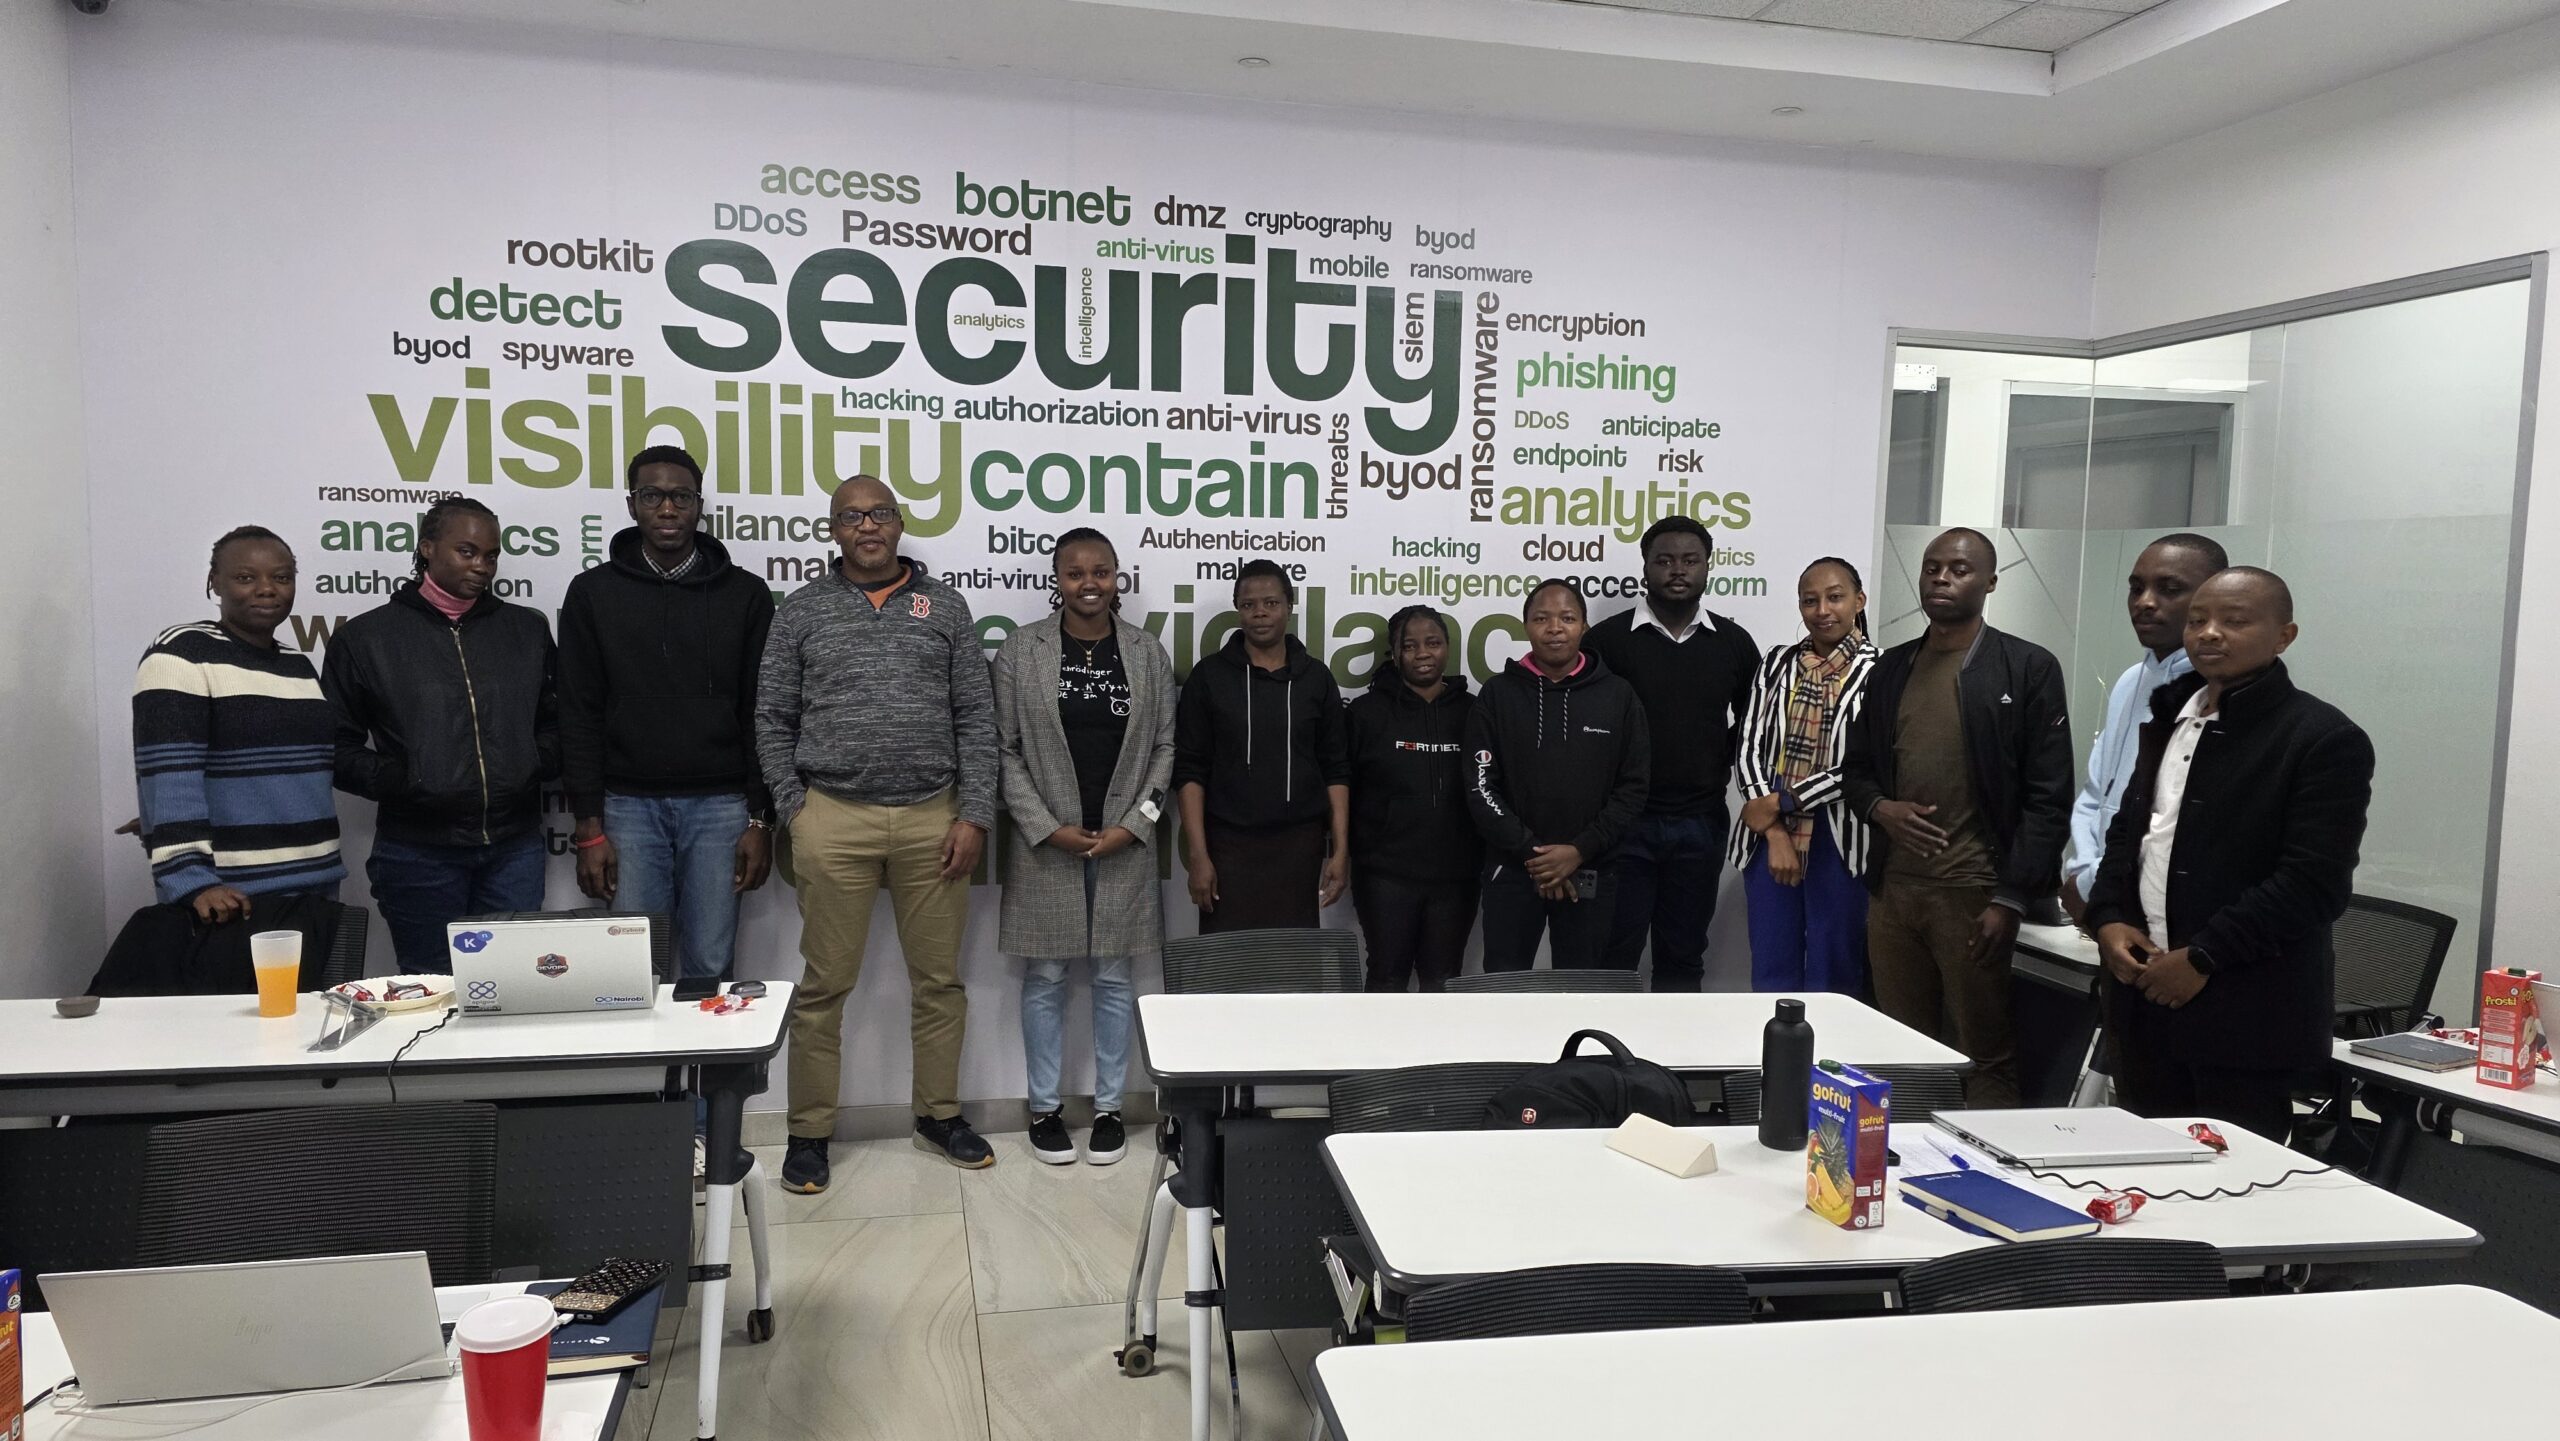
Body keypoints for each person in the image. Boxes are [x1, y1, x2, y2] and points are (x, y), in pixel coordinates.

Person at [758, 475, 998, 1188]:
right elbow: (772, 716)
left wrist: (974, 812)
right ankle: (809, 1132)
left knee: (940, 982)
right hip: (833, 816)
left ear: (899, 524)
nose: (868, 526)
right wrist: (795, 808)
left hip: (934, 817)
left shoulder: (944, 606)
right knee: (824, 986)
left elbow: (975, 716)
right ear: (833, 530)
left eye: (881, 513)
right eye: (853, 516)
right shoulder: (802, 609)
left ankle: (938, 1115)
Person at [2087, 568, 2372, 1144]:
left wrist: (2203, 958)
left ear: (2284, 636)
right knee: (2141, 1165)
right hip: (2142, 996)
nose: (2209, 633)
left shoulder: (2322, 738)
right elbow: (2131, 831)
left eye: (2234, 621)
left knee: (2234, 1178)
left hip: (2244, 1010)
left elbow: (2313, 884)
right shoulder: (2171, 715)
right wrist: (2109, 917)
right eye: (2198, 620)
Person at [1841, 528, 2071, 1106]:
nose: (1942, 578)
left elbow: (2049, 796)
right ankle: (1905, 1156)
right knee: (1901, 1048)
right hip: (1894, 894)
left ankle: (1984, 1158)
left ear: (1990, 582)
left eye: (1960, 569)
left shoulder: (2026, 667)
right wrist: (1880, 808)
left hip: (1974, 893)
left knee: (1982, 1051)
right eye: (1932, 567)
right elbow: (1856, 771)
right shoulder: (1892, 668)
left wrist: (2011, 899)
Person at [992, 527, 1175, 1166]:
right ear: (1058, 579)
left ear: (1117, 577)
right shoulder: (1022, 650)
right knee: (1044, 976)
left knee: (1114, 977)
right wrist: (1045, 826)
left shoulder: (1147, 652)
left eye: (1101, 571)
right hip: (1047, 844)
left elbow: (1165, 748)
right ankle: (1044, 1109)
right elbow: (1004, 750)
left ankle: (1109, 1110)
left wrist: (1136, 824)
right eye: (1075, 573)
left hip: (1124, 842)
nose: (1089, 583)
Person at [558, 445, 775, 981]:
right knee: (633, 973)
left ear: (699, 505)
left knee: (710, 967)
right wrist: (589, 828)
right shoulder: (592, 593)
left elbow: (762, 712)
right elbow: (579, 714)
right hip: (627, 808)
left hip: (720, 808)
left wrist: (759, 818)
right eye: (652, 496)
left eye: (681, 497)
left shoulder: (746, 595)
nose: (668, 509)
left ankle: (705, 1045)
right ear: (632, 504)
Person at [324, 498, 559, 972]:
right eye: (466, 552)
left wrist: (530, 764)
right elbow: (333, 746)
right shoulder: (367, 638)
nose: (482, 566)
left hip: (513, 848)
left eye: (491, 555)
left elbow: (556, 722)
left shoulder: (526, 629)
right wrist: (405, 779)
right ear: (427, 548)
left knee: (512, 984)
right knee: (431, 989)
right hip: (418, 853)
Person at [1583, 517, 1759, 991]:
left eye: (1690, 560)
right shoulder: (1607, 642)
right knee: (1612, 957)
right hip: (1623, 826)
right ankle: (1607, 1042)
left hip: (1700, 823)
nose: (1677, 570)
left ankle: (1674, 1045)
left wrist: (1716, 757)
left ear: (1708, 567)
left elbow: (1755, 725)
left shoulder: (1734, 643)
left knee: (1682, 957)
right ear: (1645, 568)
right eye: (1664, 560)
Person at [134, 527, 345, 921]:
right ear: (215, 582)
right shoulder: (181, 653)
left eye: (281, 577)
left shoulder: (298, 665)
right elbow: (170, 773)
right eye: (246, 577)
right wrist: (191, 880)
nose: (266, 589)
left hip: (317, 881)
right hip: (229, 896)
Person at [1465, 579, 1650, 973]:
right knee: (1504, 988)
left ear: (1584, 626)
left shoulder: (1618, 696)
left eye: (1567, 618)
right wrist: (1535, 855)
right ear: (1526, 626)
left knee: (1582, 989)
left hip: (1591, 866)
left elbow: (1633, 788)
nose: (1554, 628)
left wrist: (1579, 850)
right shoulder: (1497, 695)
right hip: (1513, 869)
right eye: (1541, 619)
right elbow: (1480, 786)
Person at [1172, 560, 1351, 931]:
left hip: (1299, 847)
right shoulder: (1209, 677)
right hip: (1227, 847)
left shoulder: (1316, 679)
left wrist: (1340, 850)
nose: (1260, 613)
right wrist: (1198, 856)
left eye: (1271, 603)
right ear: (1238, 609)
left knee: (1289, 960)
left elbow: (1336, 769)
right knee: (1228, 961)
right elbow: (1190, 770)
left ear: (1289, 606)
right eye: (1249, 604)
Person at [1730, 557, 1879, 994]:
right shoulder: (1777, 663)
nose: (1822, 610)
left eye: (1835, 597)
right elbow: (1749, 743)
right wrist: (1774, 828)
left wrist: (1787, 800)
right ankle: (1772, 1042)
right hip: (1767, 830)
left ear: (1859, 600)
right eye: (1810, 601)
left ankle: (1830, 1043)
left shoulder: (1882, 670)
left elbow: (1865, 763)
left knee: (1835, 968)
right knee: (1772, 964)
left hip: (1841, 833)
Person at [2064, 534, 2228, 924]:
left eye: (2169, 589)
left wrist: (2091, 884)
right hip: (2104, 896)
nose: (2145, 602)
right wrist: (2081, 873)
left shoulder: (2217, 694)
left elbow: (2170, 823)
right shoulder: (2129, 681)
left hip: (2170, 907)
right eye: (2137, 588)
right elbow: (2096, 793)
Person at [1345, 605, 1482, 991]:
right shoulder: (1366, 713)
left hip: (1456, 876)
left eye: (1433, 643)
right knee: (1387, 975)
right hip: (1385, 875)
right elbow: (1343, 788)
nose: (1423, 653)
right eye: (1410, 645)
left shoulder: (1474, 712)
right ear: (1394, 653)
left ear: (1447, 648)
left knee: (1443, 979)